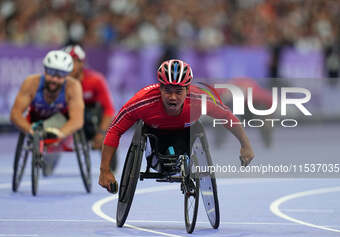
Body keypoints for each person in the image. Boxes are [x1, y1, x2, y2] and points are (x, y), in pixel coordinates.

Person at [99, 59, 254, 193]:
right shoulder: (143, 102)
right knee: (162, 159)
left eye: (178, 91)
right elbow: (115, 129)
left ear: (187, 90)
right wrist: (104, 170)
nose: (172, 97)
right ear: (159, 88)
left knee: (180, 150)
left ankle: (181, 164)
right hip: (156, 136)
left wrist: (245, 145)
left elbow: (227, 116)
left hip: (185, 134)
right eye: (167, 90)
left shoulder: (199, 99)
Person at [10, 50, 84, 174]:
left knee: (47, 170)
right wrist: (29, 130)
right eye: (51, 73)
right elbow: (15, 114)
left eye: (60, 75)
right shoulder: (31, 83)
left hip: (59, 124)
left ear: (66, 75)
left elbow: (77, 120)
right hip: (34, 121)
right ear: (44, 70)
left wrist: (60, 134)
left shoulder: (73, 86)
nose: (54, 79)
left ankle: (51, 155)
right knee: (33, 124)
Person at [63, 45, 117, 169]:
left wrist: (102, 133)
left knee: (100, 115)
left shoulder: (95, 80)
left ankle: (109, 160)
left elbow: (109, 110)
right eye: (65, 61)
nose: (68, 65)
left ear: (81, 63)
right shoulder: (59, 81)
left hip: (90, 120)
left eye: (72, 61)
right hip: (68, 117)